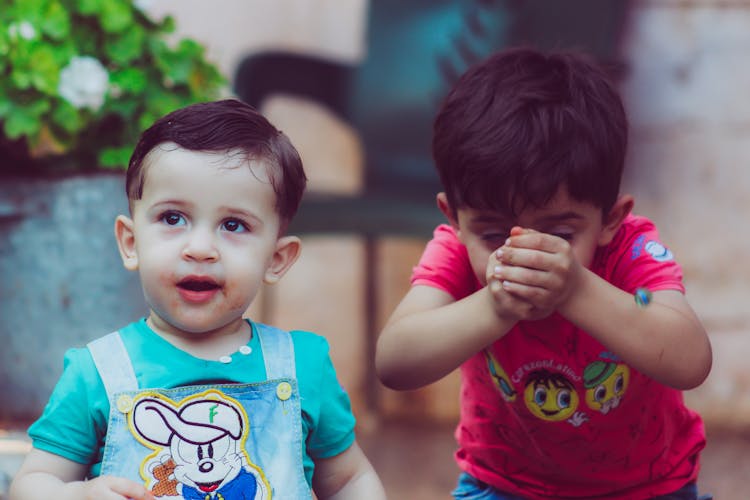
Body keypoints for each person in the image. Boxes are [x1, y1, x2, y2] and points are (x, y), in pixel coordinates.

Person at [375, 47, 713, 499]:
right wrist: (494, 305)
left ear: (611, 220)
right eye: (495, 234)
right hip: (503, 484)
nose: (526, 253)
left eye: (560, 234)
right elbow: (395, 362)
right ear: (453, 218)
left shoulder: (630, 251)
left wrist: (575, 289)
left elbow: (690, 360)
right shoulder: (455, 252)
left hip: (646, 487)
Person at [11, 99, 386, 500]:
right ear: (130, 242)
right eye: (172, 218)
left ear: (276, 260)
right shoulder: (98, 375)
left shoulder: (301, 368)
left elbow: (349, 480)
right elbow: (31, 484)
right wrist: (78, 496)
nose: (201, 248)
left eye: (233, 224)